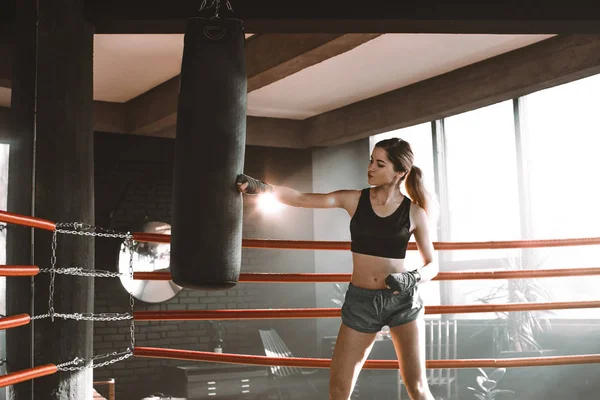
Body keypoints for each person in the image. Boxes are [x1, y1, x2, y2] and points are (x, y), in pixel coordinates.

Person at [236, 137, 438, 400]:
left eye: (379, 163)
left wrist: (412, 277)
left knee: (418, 388)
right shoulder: (354, 199)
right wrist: (261, 187)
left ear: (399, 172)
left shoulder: (414, 213)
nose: (371, 168)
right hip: (361, 302)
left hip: (402, 301)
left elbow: (432, 264)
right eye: (370, 160)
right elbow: (300, 198)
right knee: (339, 389)